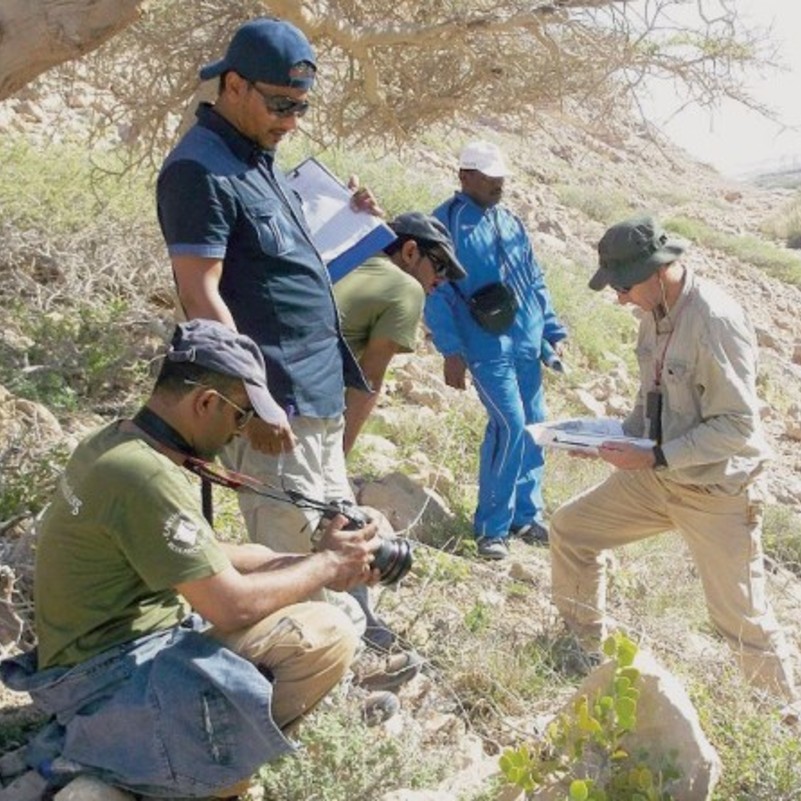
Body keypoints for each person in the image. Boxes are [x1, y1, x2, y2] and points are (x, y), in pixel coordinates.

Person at [0, 320, 381, 799]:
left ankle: (123, 751)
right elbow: (230, 607)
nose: (239, 432)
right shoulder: (145, 475)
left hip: (92, 663)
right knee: (327, 635)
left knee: (291, 607)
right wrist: (325, 568)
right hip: (107, 675)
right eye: (241, 417)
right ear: (205, 402)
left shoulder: (116, 444)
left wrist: (307, 559)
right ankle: (184, 773)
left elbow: (206, 555)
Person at [155, 18, 416, 685]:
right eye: (280, 104)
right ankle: (289, 690)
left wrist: (355, 223)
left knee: (342, 540)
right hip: (276, 405)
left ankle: (351, 666)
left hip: (315, 392)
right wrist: (258, 398)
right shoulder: (198, 168)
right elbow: (201, 295)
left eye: (301, 107)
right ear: (234, 85)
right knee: (289, 556)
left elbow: (285, 267)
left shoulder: (255, 157)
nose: (291, 120)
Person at [550, 215, 799, 714]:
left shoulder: (714, 321)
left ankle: (783, 727)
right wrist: (606, 440)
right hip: (657, 476)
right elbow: (652, 396)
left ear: (657, 271)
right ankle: (583, 650)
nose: (619, 298)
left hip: (715, 491)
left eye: (622, 286)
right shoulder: (653, 311)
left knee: (742, 622)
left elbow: (737, 427)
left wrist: (657, 455)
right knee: (571, 530)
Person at [425, 140, 567, 560]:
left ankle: (526, 514)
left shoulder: (510, 221)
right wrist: (450, 350)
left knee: (535, 425)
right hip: (484, 344)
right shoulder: (445, 224)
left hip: (526, 339)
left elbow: (533, 278)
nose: (498, 184)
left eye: (501, 177)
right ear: (464, 176)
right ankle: (491, 528)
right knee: (509, 424)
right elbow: (437, 293)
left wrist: (552, 329)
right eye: (488, 178)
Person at [334, 212, 466, 454]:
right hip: (291, 408)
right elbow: (368, 379)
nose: (440, 280)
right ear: (410, 251)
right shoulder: (408, 289)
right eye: (439, 266)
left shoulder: (348, 256)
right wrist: (337, 455)